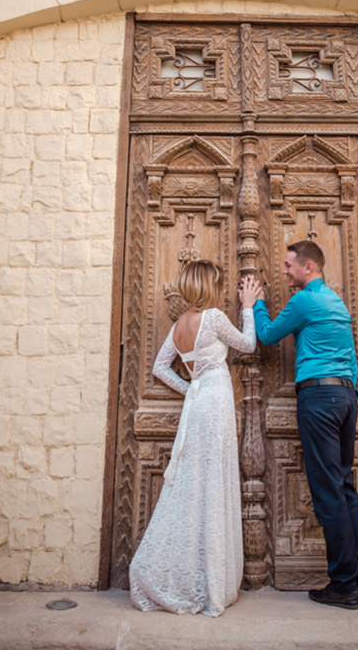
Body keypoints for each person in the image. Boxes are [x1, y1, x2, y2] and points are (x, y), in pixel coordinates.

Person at [240, 240, 358, 610]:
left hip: (319, 398)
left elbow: (267, 335)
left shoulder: (303, 300)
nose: (285, 271)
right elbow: (351, 357)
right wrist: (348, 394)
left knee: (328, 493)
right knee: (344, 489)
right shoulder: (337, 302)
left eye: (289, 265)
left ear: (308, 268)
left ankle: (343, 585)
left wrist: (255, 305)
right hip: (345, 397)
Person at [129, 259, 256, 617]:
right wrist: (248, 308)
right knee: (213, 481)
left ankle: (192, 573)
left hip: (197, 402)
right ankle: (212, 579)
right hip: (215, 402)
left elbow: (160, 368)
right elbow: (247, 345)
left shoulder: (179, 325)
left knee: (193, 480)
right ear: (209, 287)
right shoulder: (213, 318)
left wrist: (190, 389)